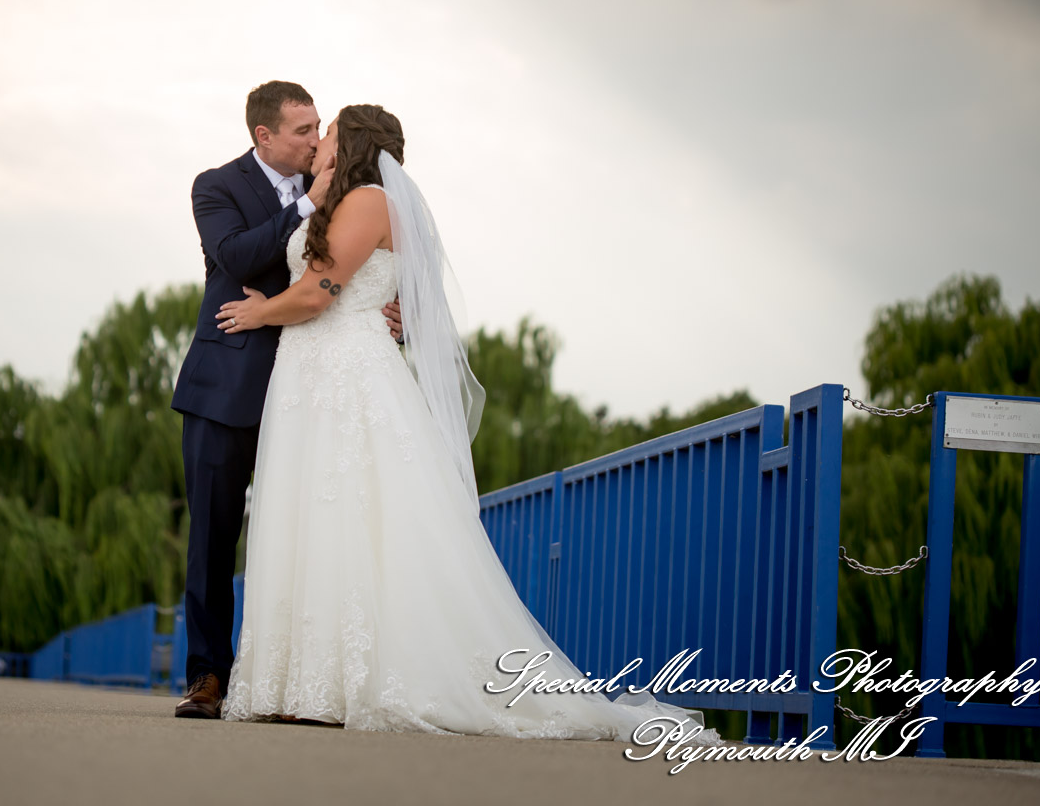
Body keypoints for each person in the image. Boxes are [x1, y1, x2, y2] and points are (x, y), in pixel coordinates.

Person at [211, 105, 721, 744]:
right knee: (311, 516)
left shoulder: (368, 200)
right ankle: (302, 682)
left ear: (354, 144)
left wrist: (261, 314)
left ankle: (343, 682)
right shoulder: (338, 203)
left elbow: (323, 291)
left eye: (330, 132)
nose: (319, 142)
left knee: (351, 514)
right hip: (309, 375)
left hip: (348, 375)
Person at [169, 81, 401, 720]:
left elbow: (367, 261)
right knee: (213, 536)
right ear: (262, 136)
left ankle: (296, 676)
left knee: (305, 530)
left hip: (316, 391)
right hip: (228, 387)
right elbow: (234, 255)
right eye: (301, 131)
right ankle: (209, 675)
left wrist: (396, 304)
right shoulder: (215, 187)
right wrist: (309, 206)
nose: (313, 139)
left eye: (318, 127)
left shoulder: (345, 186)